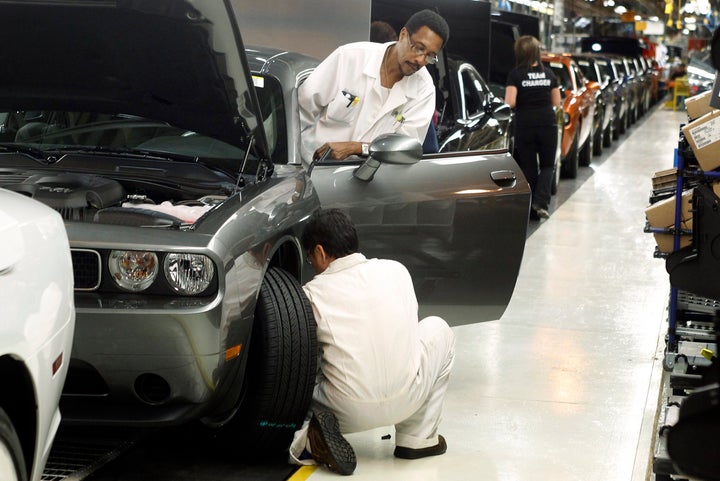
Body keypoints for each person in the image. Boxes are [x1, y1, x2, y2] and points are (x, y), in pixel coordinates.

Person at [288, 209, 455, 475]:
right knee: (439, 328)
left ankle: (308, 438)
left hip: (343, 412)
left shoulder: (311, 294)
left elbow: (304, 359)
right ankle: (418, 439)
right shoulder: (397, 270)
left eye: (311, 259)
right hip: (408, 397)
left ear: (319, 252)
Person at [298, 9, 449, 162]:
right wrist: (302, 163)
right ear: (403, 34)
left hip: (369, 178)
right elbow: (301, 111)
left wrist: (355, 147)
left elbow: (403, 147)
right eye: (419, 48)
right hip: (313, 168)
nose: (421, 60)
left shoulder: (424, 89)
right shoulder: (350, 57)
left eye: (430, 56)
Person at [504, 35, 561, 220]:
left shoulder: (516, 74)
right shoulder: (550, 74)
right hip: (547, 123)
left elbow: (510, 102)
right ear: (537, 52)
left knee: (528, 167)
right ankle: (541, 203)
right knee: (547, 166)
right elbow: (556, 101)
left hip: (525, 124)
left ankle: (530, 207)